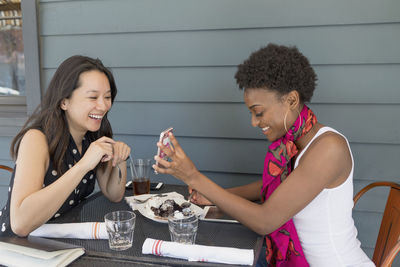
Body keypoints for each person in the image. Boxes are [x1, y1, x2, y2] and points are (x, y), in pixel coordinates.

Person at [153, 44, 374, 267]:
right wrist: (216, 198)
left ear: (291, 100)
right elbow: (274, 189)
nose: (254, 122)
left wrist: (193, 176)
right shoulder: (294, 142)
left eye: (258, 112)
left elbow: (265, 220)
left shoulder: (328, 148)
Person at [0, 55, 131, 237]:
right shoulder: (37, 139)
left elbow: (114, 194)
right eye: (93, 97)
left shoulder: (92, 135)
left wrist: (120, 159)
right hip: (19, 247)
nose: (103, 106)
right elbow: (20, 224)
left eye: (107, 97)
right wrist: (83, 165)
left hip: (60, 240)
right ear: (64, 102)